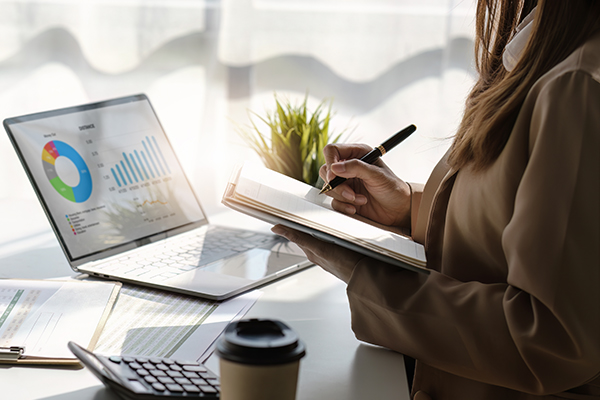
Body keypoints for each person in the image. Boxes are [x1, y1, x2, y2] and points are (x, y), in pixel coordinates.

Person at [271, 1, 600, 399]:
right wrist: (409, 207)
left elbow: (551, 341)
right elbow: (517, 214)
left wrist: (367, 273)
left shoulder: (578, 84)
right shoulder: (538, 50)